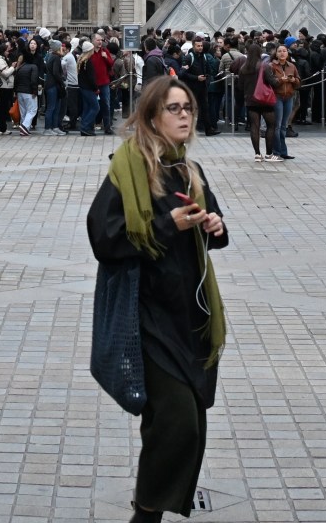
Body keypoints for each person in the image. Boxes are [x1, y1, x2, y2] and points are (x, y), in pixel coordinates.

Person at [85, 75, 228, 523]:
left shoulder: (190, 170)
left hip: (189, 312)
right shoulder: (127, 169)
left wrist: (215, 228)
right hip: (144, 314)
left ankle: (152, 508)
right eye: (174, 108)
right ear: (151, 116)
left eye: (188, 107)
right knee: (176, 420)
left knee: (187, 419)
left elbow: (213, 231)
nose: (184, 115)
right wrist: (172, 225)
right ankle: (146, 514)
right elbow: (104, 240)